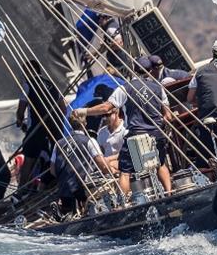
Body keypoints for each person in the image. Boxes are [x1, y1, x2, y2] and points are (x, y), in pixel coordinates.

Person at [76, 56, 173, 195]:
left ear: (133, 70)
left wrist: (84, 111)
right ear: (150, 70)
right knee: (160, 163)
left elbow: (106, 108)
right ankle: (169, 193)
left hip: (136, 134)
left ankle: (126, 202)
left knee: (125, 171)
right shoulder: (158, 88)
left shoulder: (125, 88)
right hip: (156, 133)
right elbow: (168, 116)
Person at [16, 60, 66, 189]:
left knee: (29, 160)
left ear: (32, 71)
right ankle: (56, 186)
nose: (24, 74)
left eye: (25, 71)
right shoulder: (52, 84)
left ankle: (21, 191)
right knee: (56, 158)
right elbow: (63, 108)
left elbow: (21, 111)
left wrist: (20, 121)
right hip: (55, 128)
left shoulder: (28, 85)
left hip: (37, 129)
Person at [51, 112, 111, 215]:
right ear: (85, 123)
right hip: (83, 192)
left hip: (63, 191)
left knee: (68, 214)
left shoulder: (58, 144)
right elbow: (104, 166)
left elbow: (53, 170)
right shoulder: (89, 141)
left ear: (70, 125)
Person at [96, 107, 127, 172]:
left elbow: (125, 153)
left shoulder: (125, 130)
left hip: (122, 165)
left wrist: (108, 159)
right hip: (107, 168)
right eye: (103, 115)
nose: (105, 118)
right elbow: (100, 151)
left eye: (107, 115)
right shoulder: (102, 132)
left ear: (116, 112)